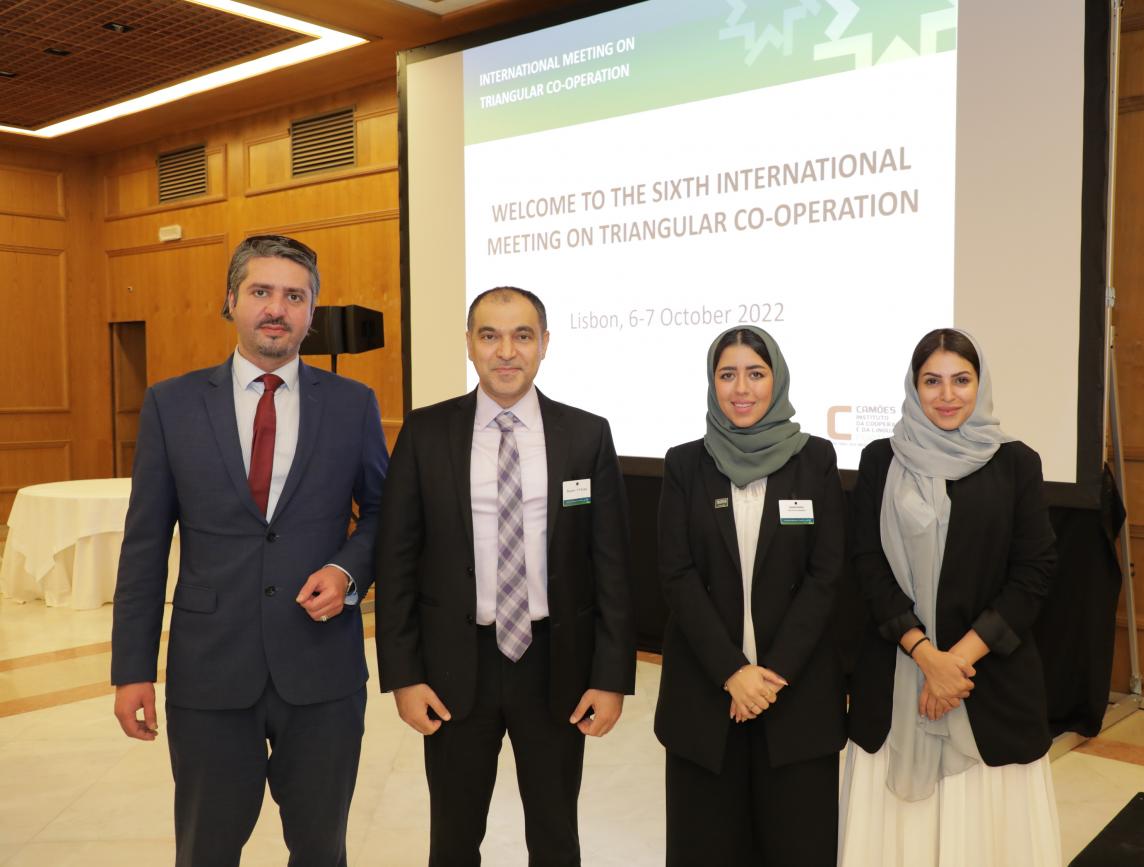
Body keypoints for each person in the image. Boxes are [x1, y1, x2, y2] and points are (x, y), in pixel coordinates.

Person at [111, 234, 389, 866]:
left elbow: (384, 513)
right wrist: (131, 669)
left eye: (294, 296)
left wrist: (347, 571)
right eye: (261, 291)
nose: (276, 309)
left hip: (321, 670)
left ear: (311, 312)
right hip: (209, 671)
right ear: (231, 301)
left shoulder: (352, 404)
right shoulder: (171, 404)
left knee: (321, 849)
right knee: (205, 849)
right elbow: (144, 544)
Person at [375, 286, 635, 867]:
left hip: (555, 665)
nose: (506, 351)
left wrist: (611, 676)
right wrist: (404, 675)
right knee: (453, 837)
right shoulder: (425, 432)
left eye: (522, 335)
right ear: (469, 344)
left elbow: (612, 564)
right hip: (453, 665)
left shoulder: (586, 434)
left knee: (555, 834)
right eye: (490, 336)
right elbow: (396, 561)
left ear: (545, 344)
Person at [838, 328, 1061, 867]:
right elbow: (866, 563)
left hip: (987, 684)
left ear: (980, 385)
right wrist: (925, 656)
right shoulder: (880, 459)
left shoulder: (1016, 463)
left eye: (961, 380)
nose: (946, 395)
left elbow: (1033, 573)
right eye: (931, 381)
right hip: (895, 679)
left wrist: (953, 665)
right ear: (913, 387)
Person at [655, 325, 847, 866]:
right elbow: (676, 574)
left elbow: (826, 574)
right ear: (712, 382)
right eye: (728, 374)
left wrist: (771, 675)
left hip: (796, 700)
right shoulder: (684, 464)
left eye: (756, 373)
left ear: (776, 379)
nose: (742, 388)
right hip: (705, 699)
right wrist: (733, 672)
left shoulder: (815, 460)